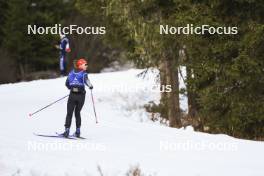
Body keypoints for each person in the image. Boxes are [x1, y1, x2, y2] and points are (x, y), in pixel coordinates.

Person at [62, 58, 93, 137]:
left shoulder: (71, 73)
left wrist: (72, 88)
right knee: (77, 113)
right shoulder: (84, 74)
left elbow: (67, 83)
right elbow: (87, 81)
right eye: (85, 64)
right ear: (80, 65)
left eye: (86, 64)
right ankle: (77, 131)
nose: (86, 65)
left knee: (69, 113)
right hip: (81, 96)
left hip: (72, 95)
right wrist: (90, 86)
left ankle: (67, 131)